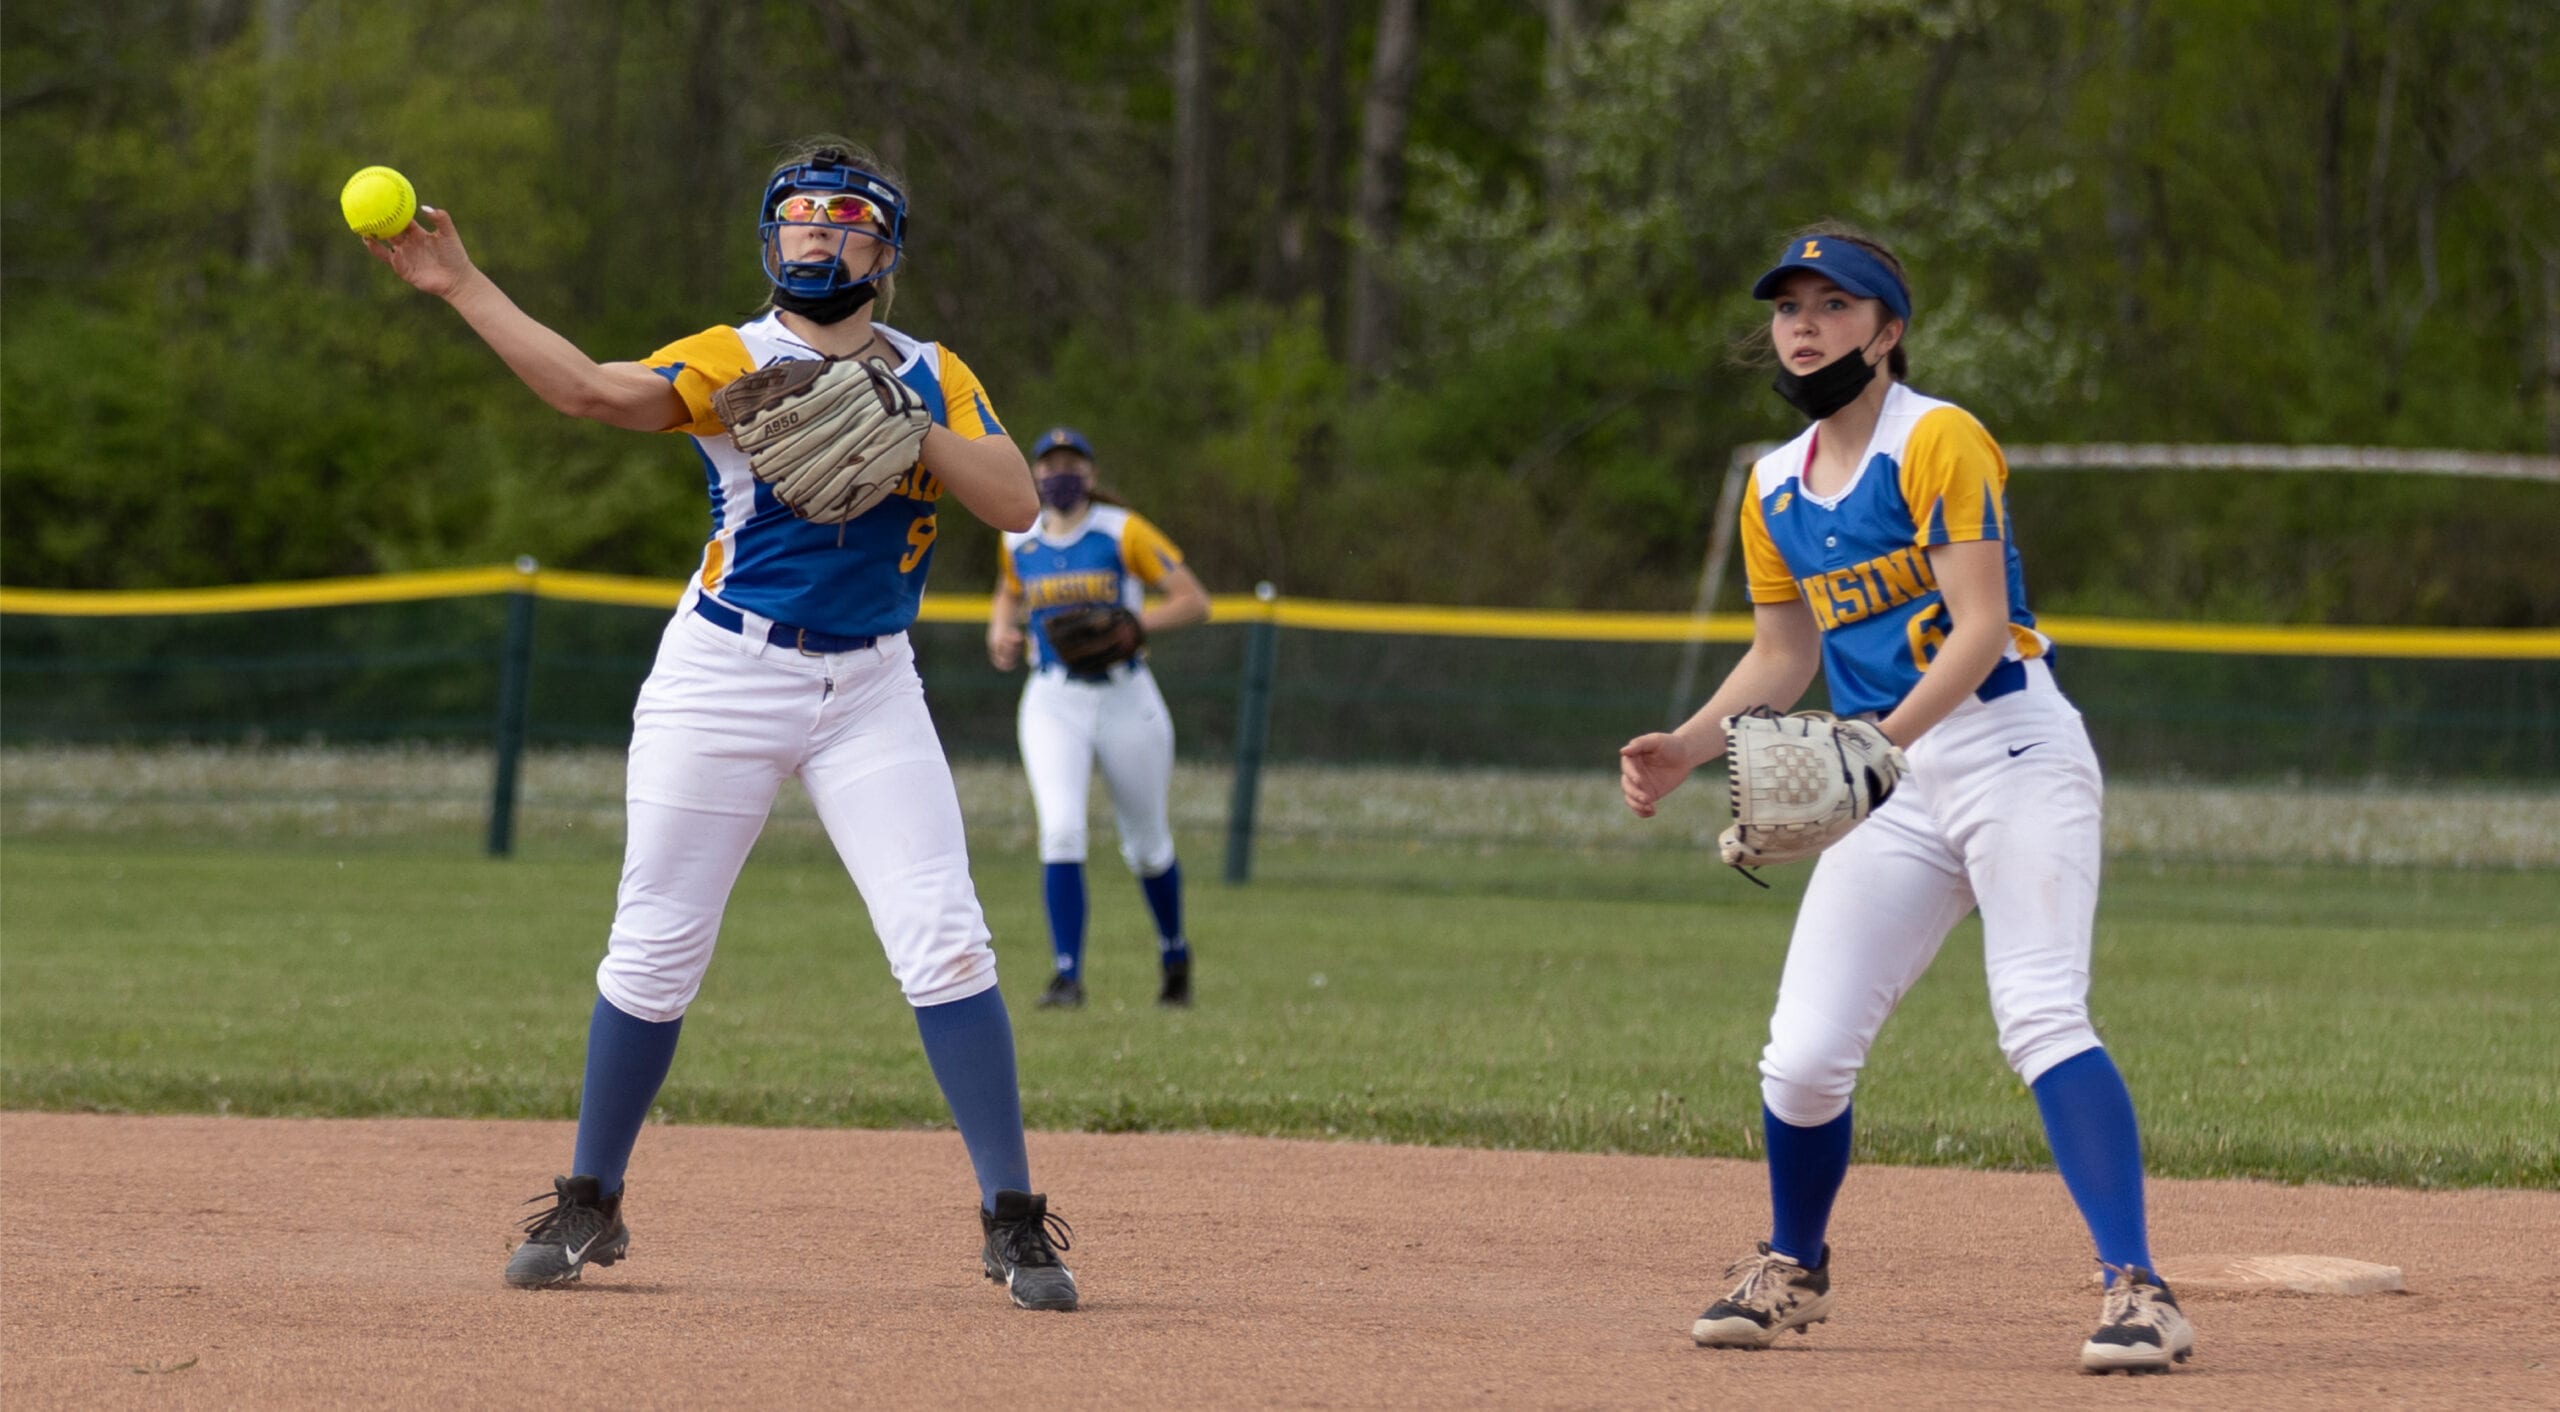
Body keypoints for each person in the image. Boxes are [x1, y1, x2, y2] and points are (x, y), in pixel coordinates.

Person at [367, 138, 1081, 1311]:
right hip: (722, 673)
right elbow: (589, 390)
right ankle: (590, 1195)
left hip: (870, 687)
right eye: (800, 221)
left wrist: (898, 413)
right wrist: (461, 284)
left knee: (945, 935)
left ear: (885, 251)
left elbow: (1013, 502)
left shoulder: (933, 369)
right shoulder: (734, 356)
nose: (820, 239)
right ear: (769, 240)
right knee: (655, 942)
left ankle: (1014, 1219)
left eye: (847, 223)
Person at [1618, 226, 2193, 1374]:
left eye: (1837, 303)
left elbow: (1978, 625)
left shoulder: (1938, 440)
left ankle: (2139, 1289)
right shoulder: (1773, 484)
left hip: (2009, 747)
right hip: (1893, 775)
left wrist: (1877, 740)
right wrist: (1687, 745)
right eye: (1790, 305)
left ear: (1887, 332)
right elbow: (1782, 652)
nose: (1805, 323)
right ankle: (1792, 1265)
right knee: (1803, 1055)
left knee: (2037, 1013)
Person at [987, 428, 1211, 1009]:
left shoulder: (1122, 530)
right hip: (1052, 697)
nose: (1062, 474)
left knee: (1146, 844)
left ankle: (1174, 953)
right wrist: (1000, 630)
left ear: (1090, 474)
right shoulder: (1019, 539)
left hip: (1124, 695)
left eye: (1073, 464)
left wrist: (1139, 626)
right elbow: (1008, 592)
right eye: (1051, 464)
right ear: (1034, 474)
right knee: (1060, 829)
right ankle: (1067, 976)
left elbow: (1193, 599)